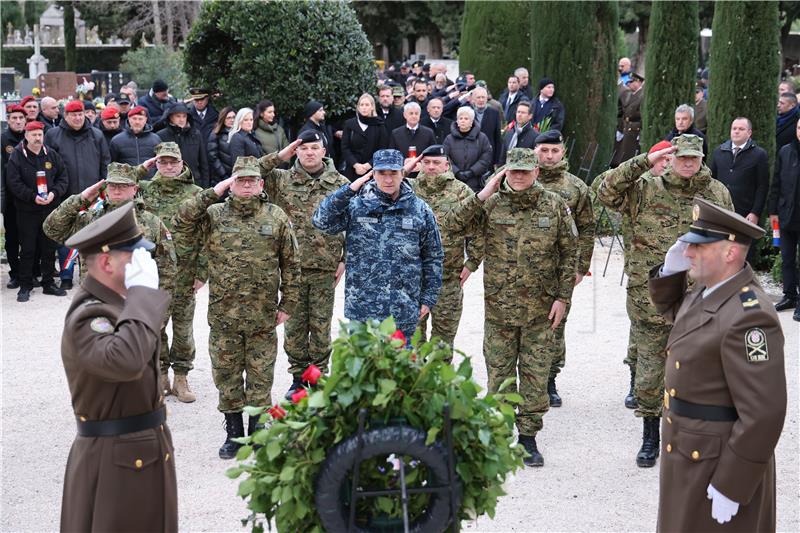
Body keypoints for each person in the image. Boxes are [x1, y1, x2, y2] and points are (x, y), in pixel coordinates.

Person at [649, 198, 786, 533]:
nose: (688, 253)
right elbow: (678, 316)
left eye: (699, 246)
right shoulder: (707, 291)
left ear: (730, 253)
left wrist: (733, 483)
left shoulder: (749, 316)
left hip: (715, 459)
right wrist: (669, 272)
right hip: (690, 450)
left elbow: (764, 413)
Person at [596, 134, 733, 468]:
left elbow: (731, 242)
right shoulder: (646, 187)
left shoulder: (715, 192)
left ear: (701, 158)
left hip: (699, 298)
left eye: (693, 158)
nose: (687, 163)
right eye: (681, 157)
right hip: (651, 296)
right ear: (671, 157)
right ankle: (649, 435)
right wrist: (643, 160)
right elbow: (605, 191)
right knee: (651, 371)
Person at [443, 148, 578, 466]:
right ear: (505, 172)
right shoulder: (491, 204)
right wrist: (485, 191)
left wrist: (563, 299)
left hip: (540, 311)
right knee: (500, 375)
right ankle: (500, 435)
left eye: (524, 171)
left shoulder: (555, 205)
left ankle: (529, 439)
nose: (518, 176)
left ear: (536, 173)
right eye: (512, 171)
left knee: (534, 376)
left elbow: (568, 253)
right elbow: (452, 224)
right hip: (500, 309)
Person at [58, 203, 176, 532]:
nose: (145, 265)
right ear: (107, 262)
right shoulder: (89, 315)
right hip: (114, 463)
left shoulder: (117, 304)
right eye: (134, 258)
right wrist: (141, 292)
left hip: (141, 452)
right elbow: (126, 360)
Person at [174, 156, 300, 459]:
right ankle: (234, 435)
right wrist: (213, 191)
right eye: (240, 180)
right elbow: (183, 218)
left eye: (252, 180)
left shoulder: (276, 216)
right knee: (227, 375)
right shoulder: (214, 214)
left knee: (260, 376)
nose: (247, 185)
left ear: (260, 183)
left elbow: (291, 263)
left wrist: (289, 303)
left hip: (263, 314)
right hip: (224, 314)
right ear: (232, 183)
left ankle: (258, 433)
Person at [312, 148, 444, 341]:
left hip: (403, 309)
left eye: (394, 173)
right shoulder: (357, 205)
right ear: (373, 174)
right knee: (363, 370)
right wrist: (350, 189)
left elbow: (433, 256)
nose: (388, 180)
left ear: (403, 173)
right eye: (382, 173)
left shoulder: (419, 209)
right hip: (362, 309)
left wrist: (428, 299)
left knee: (400, 368)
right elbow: (321, 221)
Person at [258, 131, 350, 394]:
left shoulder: (340, 183)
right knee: (295, 329)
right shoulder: (281, 179)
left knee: (320, 328)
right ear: (296, 152)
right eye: (304, 148)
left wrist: (345, 259)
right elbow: (250, 172)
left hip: (325, 267)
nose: (309, 152)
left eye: (314, 148)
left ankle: (318, 379)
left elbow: (353, 225)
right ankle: (299, 378)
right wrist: (279, 156)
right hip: (291, 269)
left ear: (324, 152)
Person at [137, 142, 205, 402]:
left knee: (184, 327)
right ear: (156, 164)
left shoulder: (196, 193)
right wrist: (141, 169)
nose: (168, 167)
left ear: (181, 164)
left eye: (172, 162)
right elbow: (117, 182)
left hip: (186, 272)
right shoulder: (143, 191)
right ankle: (161, 375)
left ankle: (182, 377)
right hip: (153, 272)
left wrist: (203, 271)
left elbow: (207, 234)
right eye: (162, 162)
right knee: (156, 326)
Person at [43, 161, 176, 294]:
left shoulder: (152, 222)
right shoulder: (90, 220)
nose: (117, 191)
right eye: (112, 186)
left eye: (123, 186)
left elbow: (167, 270)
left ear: (135, 189)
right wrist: (81, 198)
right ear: (106, 188)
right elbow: (51, 228)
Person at [534, 130, 595, 406]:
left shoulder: (575, 187)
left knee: (555, 324)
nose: (549, 156)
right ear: (535, 151)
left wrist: (582, 267)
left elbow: (587, 228)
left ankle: (549, 378)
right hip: (520, 268)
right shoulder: (519, 179)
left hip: (560, 270)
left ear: (563, 153)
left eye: (554, 151)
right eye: (544, 150)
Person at [407, 145, 481, 350]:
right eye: (426, 162)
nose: (431, 167)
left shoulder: (461, 191)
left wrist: (472, 262)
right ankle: (416, 381)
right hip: (413, 279)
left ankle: (440, 381)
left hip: (447, 279)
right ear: (419, 164)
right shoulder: (408, 189)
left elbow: (477, 229)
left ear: (446, 165)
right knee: (412, 341)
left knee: (443, 342)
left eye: (436, 163)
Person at [618, 139, 673, 409]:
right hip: (643, 274)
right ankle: (635, 380)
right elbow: (606, 187)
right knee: (640, 333)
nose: (664, 164)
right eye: (659, 160)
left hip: (676, 278)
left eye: (668, 159)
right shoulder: (637, 189)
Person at [45, 99, 111, 288]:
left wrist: (103, 190)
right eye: (73, 115)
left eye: (80, 114)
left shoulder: (96, 135)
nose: (77, 118)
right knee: (67, 237)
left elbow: (105, 163)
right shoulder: (53, 135)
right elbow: (50, 166)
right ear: (65, 116)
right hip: (66, 195)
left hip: (93, 196)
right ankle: (66, 276)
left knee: (93, 236)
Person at [5, 121, 69, 301]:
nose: (37, 138)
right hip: (27, 210)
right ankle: (25, 285)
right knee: (28, 248)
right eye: (33, 134)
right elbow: (13, 182)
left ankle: (48, 283)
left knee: (49, 247)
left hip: (49, 208)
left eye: (40, 134)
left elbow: (63, 177)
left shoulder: (51, 155)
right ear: (26, 136)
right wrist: (32, 196)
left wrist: (54, 193)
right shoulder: (17, 156)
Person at [709, 117, 769, 225]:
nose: (736, 131)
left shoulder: (759, 155)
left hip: (745, 213)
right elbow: (711, 180)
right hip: (720, 210)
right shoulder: (719, 151)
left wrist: (755, 212)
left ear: (749, 132)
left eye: (741, 129)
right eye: (734, 128)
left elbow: (762, 186)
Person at [768, 117, 800, 318]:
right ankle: (789, 295)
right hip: (787, 214)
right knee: (787, 258)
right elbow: (776, 182)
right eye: (798, 127)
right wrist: (773, 210)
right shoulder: (785, 151)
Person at [155, 102, 210, 187]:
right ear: (170, 117)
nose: (181, 119)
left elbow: (204, 162)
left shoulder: (196, 134)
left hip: (193, 182)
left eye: (184, 116)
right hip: (169, 183)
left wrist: (205, 185)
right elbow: (157, 162)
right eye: (178, 116)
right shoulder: (161, 135)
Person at [2, 104, 26, 290]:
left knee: (30, 237)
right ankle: (15, 274)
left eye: (21, 118)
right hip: (11, 199)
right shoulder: (3, 140)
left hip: (30, 197)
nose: (18, 121)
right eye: (14, 118)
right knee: (12, 238)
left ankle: (31, 272)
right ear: (8, 120)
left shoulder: (32, 137)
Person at [443, 106, 493, 193]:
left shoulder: (482, 138)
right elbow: (445, 157)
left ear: (471, 122)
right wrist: (457, 172)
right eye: (460, 118)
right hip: (454, 182)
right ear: (457, 121)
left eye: (466, 118)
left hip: (475, 182)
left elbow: (486, 158)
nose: (463, 120)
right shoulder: (449, 139)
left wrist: (472, 172)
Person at [340, 93, 387, 181]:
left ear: (372, 107)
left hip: (373, 171)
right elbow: (345, 147)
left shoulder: (380, 125)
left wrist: (368, 165)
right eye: (361, 105)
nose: (364, 107)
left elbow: (382, 149)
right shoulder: (349, 124)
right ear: (358, 107)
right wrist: (355, 165)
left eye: (367, 105)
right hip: (352, 170)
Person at [109, 106, 162, 179]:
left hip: (150, 183)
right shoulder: (117, 140)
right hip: (126, 182)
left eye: (140, 119)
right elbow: (112, 164)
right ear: (129, 120)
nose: (137, 122)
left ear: (145, 120)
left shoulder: (155, 139)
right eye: (134, 119)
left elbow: (160, 161)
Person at [389, 102, 436, 172]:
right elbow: (391, 155)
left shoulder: (429, 132)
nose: (414, 116)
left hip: (423, 173)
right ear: (405, 115)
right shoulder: (396, 133)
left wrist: (423, 164)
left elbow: (434, 154)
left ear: (420, 115)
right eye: (411, 113)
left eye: (416, 113)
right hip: (402, 172)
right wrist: (403, 161)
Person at [611, 73, 644, 167]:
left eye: (631, 82)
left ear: (638, 82)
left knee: (629, 157)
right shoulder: (632, 94)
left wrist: (639, 129)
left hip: (634, 130)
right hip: (626, 128)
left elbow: (642, 115)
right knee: (622, 156)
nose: (629, 84)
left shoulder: (642, 95)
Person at [499, 99, 536, 166]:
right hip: (506, 172)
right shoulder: (509, 133)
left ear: (530, 116)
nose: (519, 115)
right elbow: (502, 158)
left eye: (523, 113)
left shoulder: (535, 136)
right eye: (518, 112)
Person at [208, 106, 236, 185]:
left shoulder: (239, 134)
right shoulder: (215, 134)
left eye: (234, 117)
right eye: (228, 118)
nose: (232, 120)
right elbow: (213, 157)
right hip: (220, 178)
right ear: (223, 119)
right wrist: (224, 175)